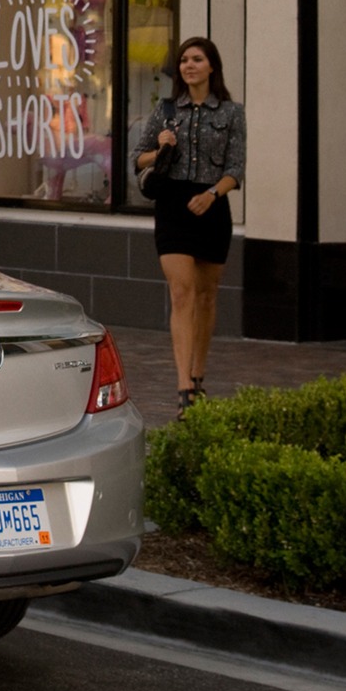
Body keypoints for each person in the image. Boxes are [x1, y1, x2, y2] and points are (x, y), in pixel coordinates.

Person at [132, 36, 247, 419]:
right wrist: (160, 146)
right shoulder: (166, 111)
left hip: (212, 207)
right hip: (173, 208)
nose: (189, 65)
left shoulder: (231, 113)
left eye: (197, 59)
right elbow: (137, 160)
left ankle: (199, 375)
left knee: (206, 295)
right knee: (182, 293)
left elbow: (236, 169)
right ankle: (184, 388)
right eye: (183, 60)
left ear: (211, 66)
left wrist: (212, 194)